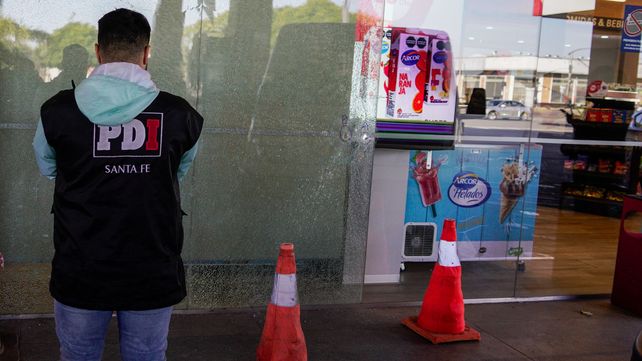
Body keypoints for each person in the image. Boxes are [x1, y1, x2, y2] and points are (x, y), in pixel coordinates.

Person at [32, 8, 203, 360]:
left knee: (78, 355)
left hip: (80, 265)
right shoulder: (180, 115)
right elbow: (176, 173)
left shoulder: (57, 112)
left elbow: (51, 169)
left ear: (98, 51)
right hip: (151, 267)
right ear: (146, 53)